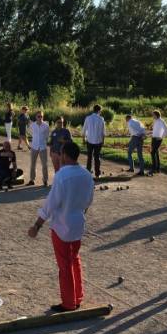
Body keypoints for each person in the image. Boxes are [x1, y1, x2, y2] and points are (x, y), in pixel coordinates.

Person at [28, 142, 94, 312]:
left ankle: (68, 303)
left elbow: (51, 203)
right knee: (75, 260)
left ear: (64, 155)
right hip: (78, 222)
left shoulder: (62, 175)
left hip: (61, 225)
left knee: (64, 266)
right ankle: (78, 296)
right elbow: (88, 201)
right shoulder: (87, 174)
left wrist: (37, 225)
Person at [82, 104, 106, 177]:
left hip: (89, 140)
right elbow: (103, 131)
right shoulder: (101, 119)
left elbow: (84, 129)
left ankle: (88, 172)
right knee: (97, 157)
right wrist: (103, 140)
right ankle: (97, 174)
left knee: (89, 157)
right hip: (98, 140)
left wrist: (83, 139)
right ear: (99, 110)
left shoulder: (88, 118)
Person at [28, 111, 51, 186]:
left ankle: (45, 180)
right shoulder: (32, 125)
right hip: (34, 146)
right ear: (36, 117)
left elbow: (47, 136)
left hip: (43, 147)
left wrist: (44, 142)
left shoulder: (46, 125)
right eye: (38, 116)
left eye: (41, 116)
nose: (40, 118)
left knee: (44, 165)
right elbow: (30, 132)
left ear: (43, 117)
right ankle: (32, 179)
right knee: (32, 164)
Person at [150, 110, 167, 175]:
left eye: (153, 115)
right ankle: (157, 169)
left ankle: (154, 168)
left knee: (152, 153)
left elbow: (166, 130)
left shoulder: (162, 121)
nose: (152, 116)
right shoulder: (155, 121)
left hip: (158, 139)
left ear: (156, 115)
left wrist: (161, 137)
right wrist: (151, 134)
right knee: (156, 153)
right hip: (153, 138)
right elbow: (155, 130)